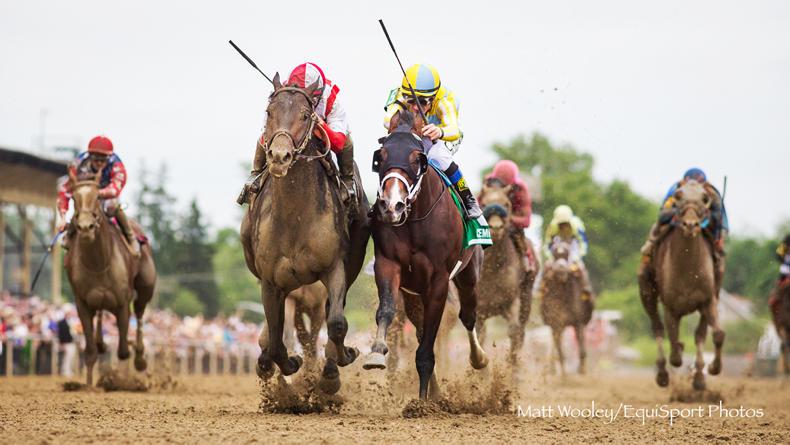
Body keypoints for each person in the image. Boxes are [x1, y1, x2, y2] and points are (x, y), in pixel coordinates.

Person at [238, 62, 357, 212]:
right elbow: (268, 129)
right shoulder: (282, 94)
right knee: (265, 135)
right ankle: (255, 175)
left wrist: (319, 123)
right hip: (291, 134)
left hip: (323, 132)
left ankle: (348, 182)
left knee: (347, 142)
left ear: (318, 92)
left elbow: (338, 143)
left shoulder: (332, 99)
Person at [383, 63, 481, 219]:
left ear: (433, 98)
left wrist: (439, 131)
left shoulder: (445, 100)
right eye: (411, 101)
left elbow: (453, 130)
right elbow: (387, 122)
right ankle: (385, 198)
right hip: (416, 134)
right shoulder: (400, 94)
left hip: (444, 135)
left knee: (438, 155)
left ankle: (468, 198)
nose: (415, 107)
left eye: (422, 102)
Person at [639, 167, 728, 288]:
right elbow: (662, 215)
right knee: (657, 229)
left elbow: (719, 217)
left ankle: (715, 289)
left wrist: (707, 218)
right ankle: (650, 249)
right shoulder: (676, 190)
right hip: (677, 223)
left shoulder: (711, 193)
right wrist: (678, 213)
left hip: (706, 226)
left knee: (720, 257)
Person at [56, 135, 139, 256]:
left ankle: (130, 236)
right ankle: (69, 235)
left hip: (105, 195)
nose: (99, 163)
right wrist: (62, 217)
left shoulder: (117, 166)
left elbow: (115, 188)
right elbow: (65, 189)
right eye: (96, 159)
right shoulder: (78, 164)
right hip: (85, 194)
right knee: (82, 206)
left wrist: (96, 194)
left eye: (103, 160)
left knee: (112, 206)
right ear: (90, 156)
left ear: (109, 158)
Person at [479, 160, 534, 268]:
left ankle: (528, 264)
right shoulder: (488, 184)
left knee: (524, 244)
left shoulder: (521, 190)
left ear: (512, 184)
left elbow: (526, 221)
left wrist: (508, 219)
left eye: (505, 186)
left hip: (512, 225)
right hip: (487, 222)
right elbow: (475, 205)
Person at [542, 204, 594, 300]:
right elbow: (547, 244)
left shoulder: (577, 226)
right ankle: (541, 289)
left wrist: (578, 257)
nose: (564, 226)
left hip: (573, 249)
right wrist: (550, 257)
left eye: (565, 223)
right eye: (561, 224)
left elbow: (583, 243)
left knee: (580, 267)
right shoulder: (552, 227)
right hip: (558, 251)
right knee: (547, 266)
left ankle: (586, 289)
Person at [769, 233, 790, 312]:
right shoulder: (786, 240)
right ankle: (774, 299)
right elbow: (778, 254)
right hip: (785, 271)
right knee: (779, 285)